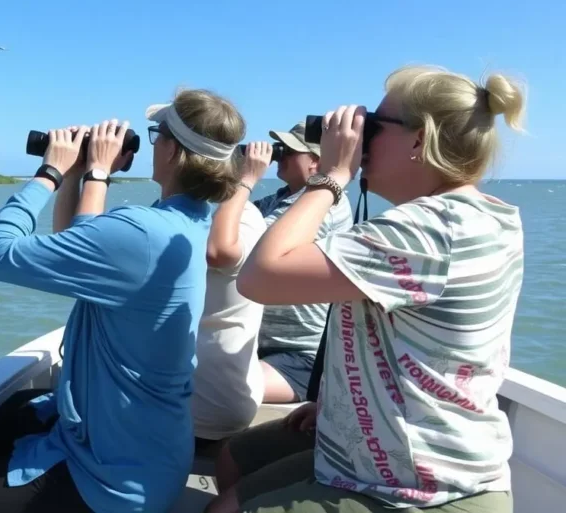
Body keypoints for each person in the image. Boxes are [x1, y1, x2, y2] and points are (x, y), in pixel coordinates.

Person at [205, 64, 525, 513]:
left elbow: (258, 277)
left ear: (419, 139)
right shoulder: (484, 215)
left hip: (419, 483)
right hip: (405, 445)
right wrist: (338, 404)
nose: (360, 139)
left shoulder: (430, 228)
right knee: (235, 460)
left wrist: (332, 177)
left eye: (373, 126)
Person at [0, 89, 248, 513]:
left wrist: (51, 171)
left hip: (119, 478)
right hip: (148, 442)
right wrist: (83, 174)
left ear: (173, 150)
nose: (153, 144)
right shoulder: (187, 221)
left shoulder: (142, 232)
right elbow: (77, 245)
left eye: (157, 135)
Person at [253, 122, 353, 404]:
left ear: (316, 162)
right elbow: (224, 229)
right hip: (261, 345)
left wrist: (244, 181)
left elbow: (250, 245)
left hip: (300, 355)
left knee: (221, 389)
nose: (279, 156)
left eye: (288, 150)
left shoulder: (325, 204)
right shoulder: (281, 197)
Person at [191, 141, 272, 446]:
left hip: (209, 403)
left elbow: (219, 251)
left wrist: (246, 181)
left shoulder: (242, 217)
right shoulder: (215, 215)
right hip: (219, 393)